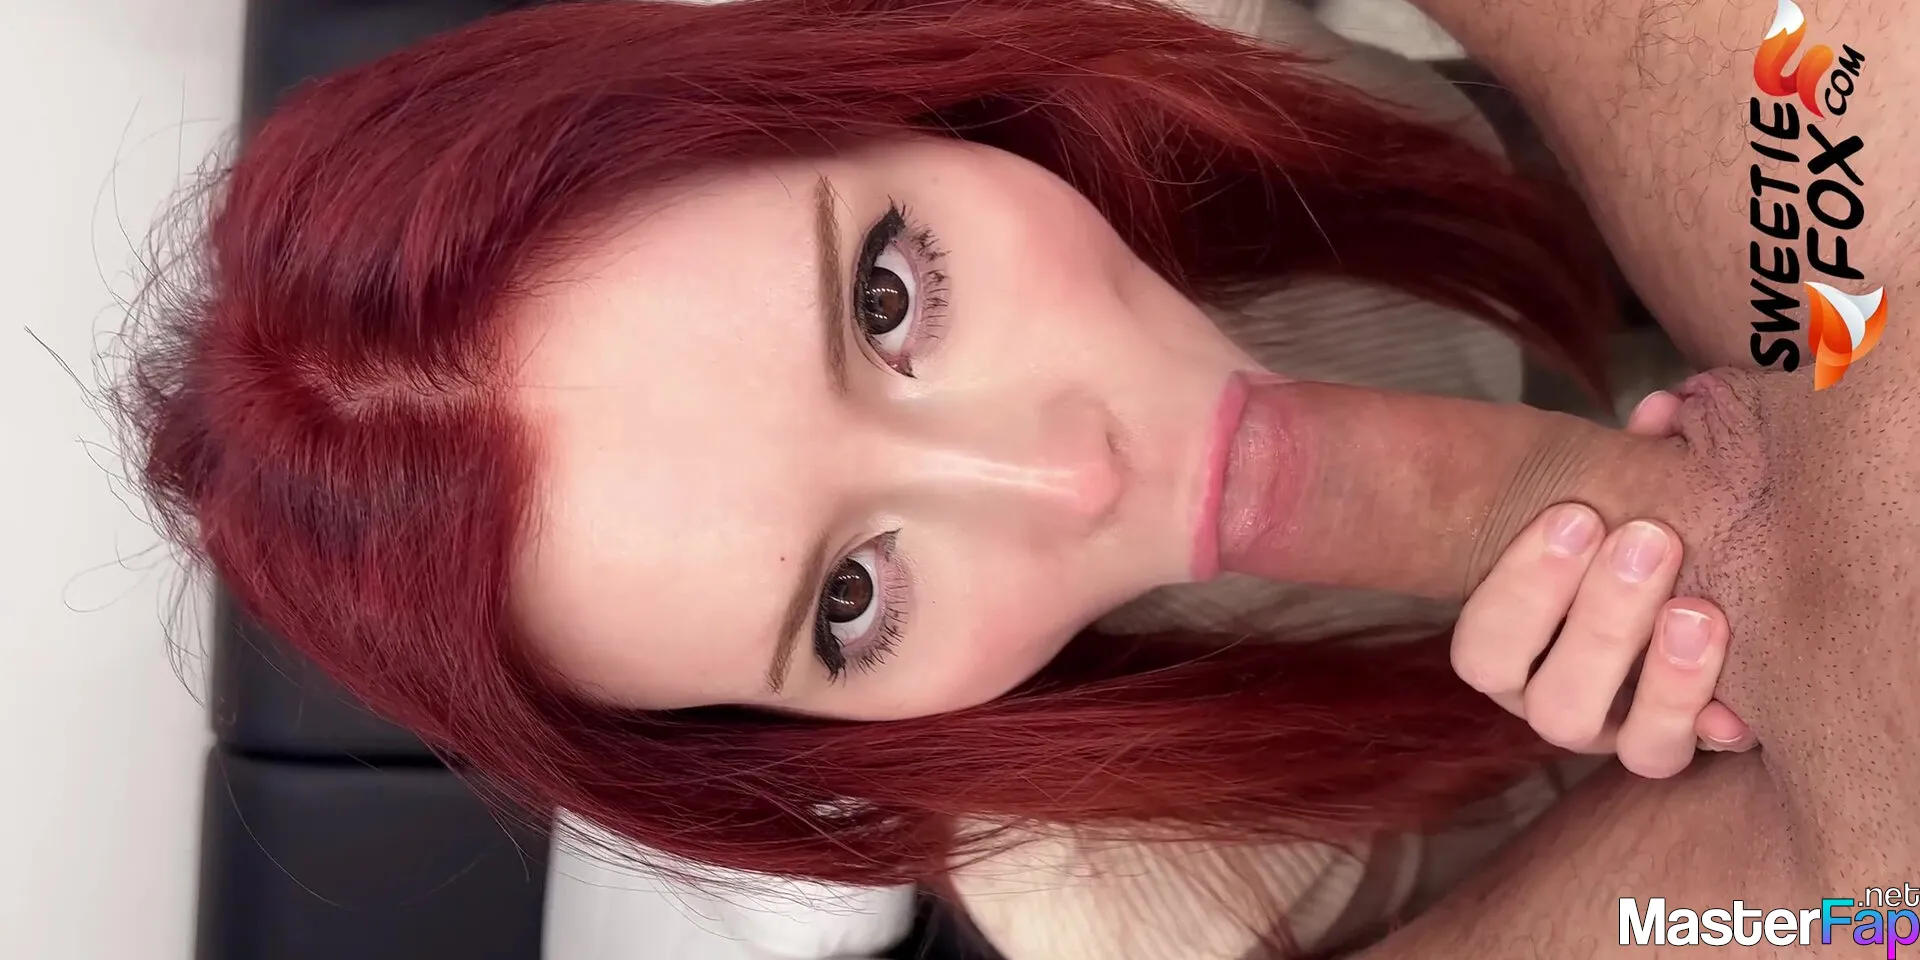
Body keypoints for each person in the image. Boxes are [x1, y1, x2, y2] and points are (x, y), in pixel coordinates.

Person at [113, 0, 1752, 956]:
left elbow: (1798, 66)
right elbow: (1848, 926)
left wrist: (1792, 233)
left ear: (853, 102)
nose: (1065, 472)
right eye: (850, 599)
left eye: (887, 299)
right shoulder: (1145, 891)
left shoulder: (1130, 37)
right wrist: (1691, 803)